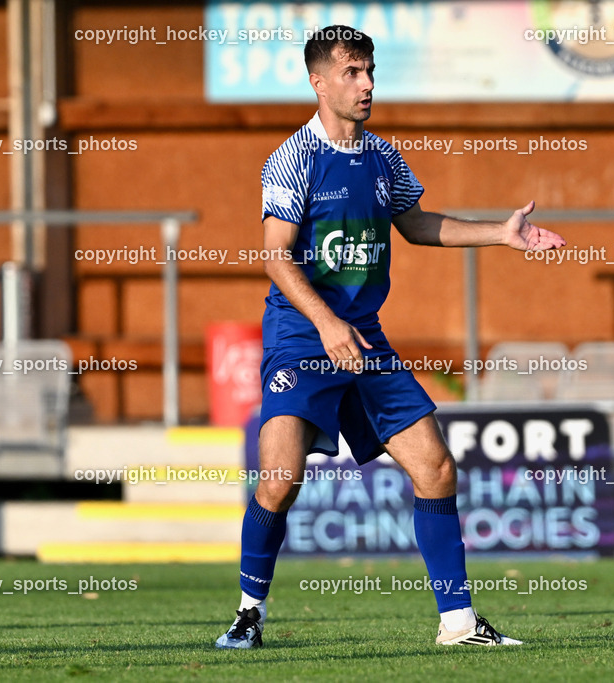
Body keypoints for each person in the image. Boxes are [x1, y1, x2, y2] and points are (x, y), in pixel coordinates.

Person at [216, 24, 566, 650]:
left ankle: (458, 625)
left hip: (366, 339)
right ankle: (248, 614)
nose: (367, 83)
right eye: (351, 72)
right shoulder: (293, 158)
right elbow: (275, 257)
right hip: (302, 336)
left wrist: (499, 233)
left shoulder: (382, 157)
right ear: (318, 82)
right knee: (280, 477)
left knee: (435, 467)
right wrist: (325, 323)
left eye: (370, 70)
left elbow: (417, 223)